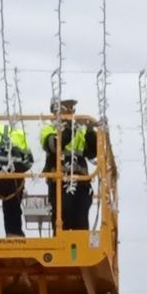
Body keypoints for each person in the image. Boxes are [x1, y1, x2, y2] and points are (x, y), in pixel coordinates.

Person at [40, 97, 97, 231]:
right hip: (60, 182)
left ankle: (81, 249)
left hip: (81, 182)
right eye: (68, 108)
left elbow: (91, 153)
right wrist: (69, 129)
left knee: (81, 222)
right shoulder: (49, 129)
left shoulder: (79, 131)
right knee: (63, 219)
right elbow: (54, 146)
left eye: (73, 108)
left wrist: (89, 131)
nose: (72, 112)